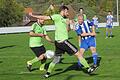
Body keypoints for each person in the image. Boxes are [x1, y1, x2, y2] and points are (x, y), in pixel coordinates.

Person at [29, 6, 94, 78]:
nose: (67, 13)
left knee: (56, 59)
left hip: (58, 43)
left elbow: (67, 30)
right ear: (63, 11)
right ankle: (89, 69)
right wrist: (33, 15)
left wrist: (69, 24)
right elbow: (45, 17)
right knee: (78, 54)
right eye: (66, 11)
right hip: (63, 42)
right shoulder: (57, 16)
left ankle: (47, 74)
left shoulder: (65, 19)